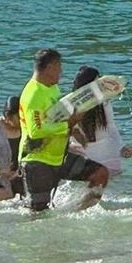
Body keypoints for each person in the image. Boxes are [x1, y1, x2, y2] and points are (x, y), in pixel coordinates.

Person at [18, 49, 109, 211]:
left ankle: (77, 212)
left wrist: (74, 130)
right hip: (38, 161)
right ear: (50, 67)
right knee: (38, 215)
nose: (61, 71)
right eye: (59, 66)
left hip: (59, 157)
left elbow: (57, 116)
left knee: (100, 174)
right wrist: (68, 125)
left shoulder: (52, 88)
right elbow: (35, 131)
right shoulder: (33, 94)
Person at [68, 67, 124, 177]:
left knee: (108, 187)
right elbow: (67, 130)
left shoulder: (104, 103)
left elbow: (111, 126)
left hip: (106, 151)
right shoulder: (69, 104)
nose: (100, 85)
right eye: (96, 81)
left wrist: (121, 146)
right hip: (80, 150)